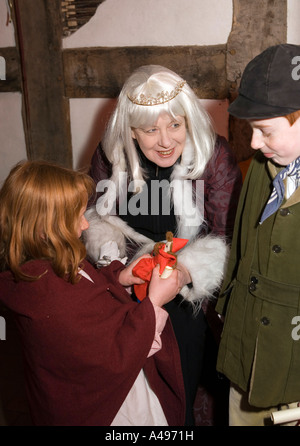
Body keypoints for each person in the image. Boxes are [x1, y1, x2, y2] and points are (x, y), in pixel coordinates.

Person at [84, 64, 243, 425]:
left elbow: (225, 237)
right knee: (126, 396)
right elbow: (93, 216)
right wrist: (116, 266)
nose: (166, 141)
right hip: (123, 285)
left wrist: (186, 270)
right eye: (150, 130)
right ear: (130, 131)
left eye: (175, 125)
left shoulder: (214, 155)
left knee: (176, 392)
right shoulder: (110, 154)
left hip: (186, 294)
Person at [0, 160, 185, 426]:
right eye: (77, 217)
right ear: (45, 228)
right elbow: (112, 360)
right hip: (107, 409)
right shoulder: (49, 296)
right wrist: (155, 300)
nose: (85, 225)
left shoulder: (44, 264)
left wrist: (119, 277)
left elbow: (85, 290)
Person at [216, 43, 300, 426]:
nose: (252, 144)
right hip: (247, 355)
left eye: (265, 131)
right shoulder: (261, 167)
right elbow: (241, 252)